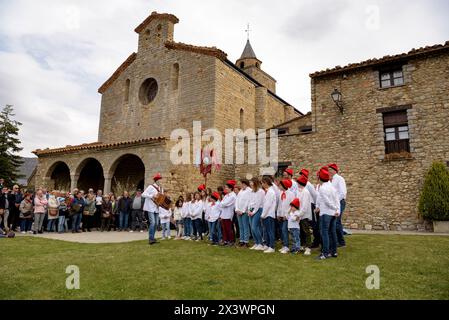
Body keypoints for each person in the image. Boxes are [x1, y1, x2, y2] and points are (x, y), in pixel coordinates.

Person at [315, 167, 340, 260]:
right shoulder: (332, 186)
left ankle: (325, 253)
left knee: (325, 233)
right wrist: (337, 210)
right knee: (332, 232)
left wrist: (335, 208)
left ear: (320, 178)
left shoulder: (323, 188)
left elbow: (327, 202)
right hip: (333, 213)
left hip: (326, 213)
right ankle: (334, 252)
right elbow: (336, 200)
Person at [299, 169, 320, 248]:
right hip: (303, 205)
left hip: (310, 205)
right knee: (303, 224)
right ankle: (304, 242)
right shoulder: (301, 185)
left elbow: (315, 195)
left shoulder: (308, 184)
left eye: (303, 175)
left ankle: (316, 241)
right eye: (301, 174)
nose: (302, 176)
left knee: (312, 224)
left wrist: (315, 205)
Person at [329, 163, 347, 247]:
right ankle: (336, 241)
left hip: (339, 202)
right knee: (334, 222)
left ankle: (341, 242)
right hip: (333, 203)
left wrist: (335, 201)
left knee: (337, 222)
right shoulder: (330, 180)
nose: (329, 171)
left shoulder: (339, 179)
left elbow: (343, 193)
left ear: (334, 170)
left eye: (330, 170)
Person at [143, 173, 163, 245]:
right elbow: (143, 194)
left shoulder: (161, 189)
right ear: (156, 180)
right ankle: (150, 239)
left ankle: (153, 238)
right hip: (150, 207)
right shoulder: (150, 187)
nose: (160, 181)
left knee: (156, 223)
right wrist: (152, 196)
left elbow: (161, 197)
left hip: (157, 208)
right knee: (153, 223)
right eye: (159, 179)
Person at [296, 175, 313, 255]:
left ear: (300, 183)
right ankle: (302, 245)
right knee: (301, 231)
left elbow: (305, 206)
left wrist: (299, 214)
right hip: (299, 214)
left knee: (306, 231)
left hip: (304, 215)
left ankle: (308, 247)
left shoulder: (306, 192)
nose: (297, 183)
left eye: (298, 182)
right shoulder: (299, 191)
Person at [278, 179, 295, 254]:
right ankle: (285, 245)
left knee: (285, 230)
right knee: (282, 230)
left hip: (287, 216)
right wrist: (278, 214)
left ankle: (287, 246)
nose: (279, 186)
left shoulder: (291, 194)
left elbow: (292, 206)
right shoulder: (281, 193)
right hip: (281, 215)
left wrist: (287, 215)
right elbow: (280, 204)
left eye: (281, 185)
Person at [248, 177, 265, 251]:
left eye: (251, 182)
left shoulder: (261, 191)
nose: (250, 184)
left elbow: (258, 203)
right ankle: (256, 242)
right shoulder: (251, 191)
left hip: (258, 210)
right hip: (252, 210)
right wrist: (249, 210)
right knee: (252, 227)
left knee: (255, 227)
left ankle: (260, 243)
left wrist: (253, 212)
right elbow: (250, 202)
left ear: (255, 182)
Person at [219, 180, 237, 246]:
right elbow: (221, 204)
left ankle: (231, 241)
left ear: (230, 188)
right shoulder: (226, 195)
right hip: (223, 214)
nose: (225, 188)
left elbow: (225, 204)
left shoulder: (233, 196)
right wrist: (222, 204)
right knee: (224, 229)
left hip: (229, 214)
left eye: (226, 187)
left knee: (229, 228)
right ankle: (225, 240)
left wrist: (222, 204)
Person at [261, 176, 276, 253]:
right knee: (266, 230)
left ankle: (272, 246)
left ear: (266, 183)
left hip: (269, 214)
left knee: (270, 231)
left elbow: (268, 205)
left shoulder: (270, 192)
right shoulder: (268, 191)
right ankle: (267, 244)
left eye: (262, 183)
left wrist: (263, 215)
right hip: (267, 214)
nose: (262, 185)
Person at [235, 179, 251, 248]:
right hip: (238, 211)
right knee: (240, 227)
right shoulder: (241, 191)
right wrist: (237, 209)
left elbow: (248, 201)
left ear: (245, 184)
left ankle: (246, 241)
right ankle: (241, 241)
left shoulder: (249, 191)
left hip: (244, 212)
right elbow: (237, 200)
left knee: (245, 226)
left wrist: (243, 211)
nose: (241, 185)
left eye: (241, 184)